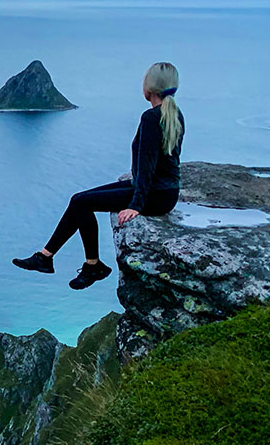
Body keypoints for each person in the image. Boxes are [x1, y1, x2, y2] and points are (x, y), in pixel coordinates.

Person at [13, 62, 185, 290]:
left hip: (154, 194)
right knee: (78, 200)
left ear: (149, 88)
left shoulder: (151, 118)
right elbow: (166, 163)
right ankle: (45, 257)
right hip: (163, 192)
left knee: (82, 203)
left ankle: (92, 265)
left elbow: (147, 165)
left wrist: (136, 204)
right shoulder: (173, 114)